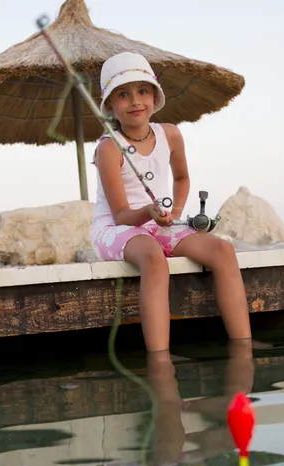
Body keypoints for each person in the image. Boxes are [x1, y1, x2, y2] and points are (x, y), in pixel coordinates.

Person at [91, 51, 252, 352]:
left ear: (154, 96)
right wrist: (150, 212)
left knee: (222, 249)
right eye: (123, 94)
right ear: (111, 105)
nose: (136, 101)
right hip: (115, 228)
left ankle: (244, 345)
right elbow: (122, 215)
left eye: (142, 91)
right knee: (153, 257)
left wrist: (173, 213)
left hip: (156, 221)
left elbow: (182, 179)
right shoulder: (109, 148)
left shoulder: (171, 135)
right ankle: (160, 360)